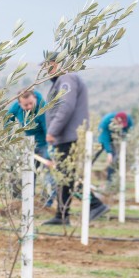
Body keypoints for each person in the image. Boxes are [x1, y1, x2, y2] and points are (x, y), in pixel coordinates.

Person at [44, 54, 108, 225]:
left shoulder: (67, 78)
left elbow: (65, 106)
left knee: (67, 176)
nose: (45, 70)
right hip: (66, 137)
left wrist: (52, 130)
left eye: (47, 65)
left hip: (69, 137)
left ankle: (95, 204)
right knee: (65, 177)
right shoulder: (64, 80)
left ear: (55, 64)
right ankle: (61, 216)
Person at [7, 88, 54, 204]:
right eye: (25, 105)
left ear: (35, 99)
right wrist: (9, 138)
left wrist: (49, 154)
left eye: (31, 104)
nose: (29, 107)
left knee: (48, 173)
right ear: (19, 103)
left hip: (44, 143)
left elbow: (48, 131)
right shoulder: (16, 107)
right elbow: (7, 120)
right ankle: (27, 199)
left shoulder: (43, 108)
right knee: (28, 171)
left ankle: (48, 201)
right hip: (29, 143)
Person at [97, 110, 133, 183]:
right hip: (104, 136)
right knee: (96, 153)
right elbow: (105, 137)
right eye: (120, 124)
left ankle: (110, 181)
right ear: (116, 120)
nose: (122, 126)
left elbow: (130, 132)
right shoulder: (106, 121)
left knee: (115, 158)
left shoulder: (129, 121)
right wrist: (109, 152)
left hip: (117, 138)